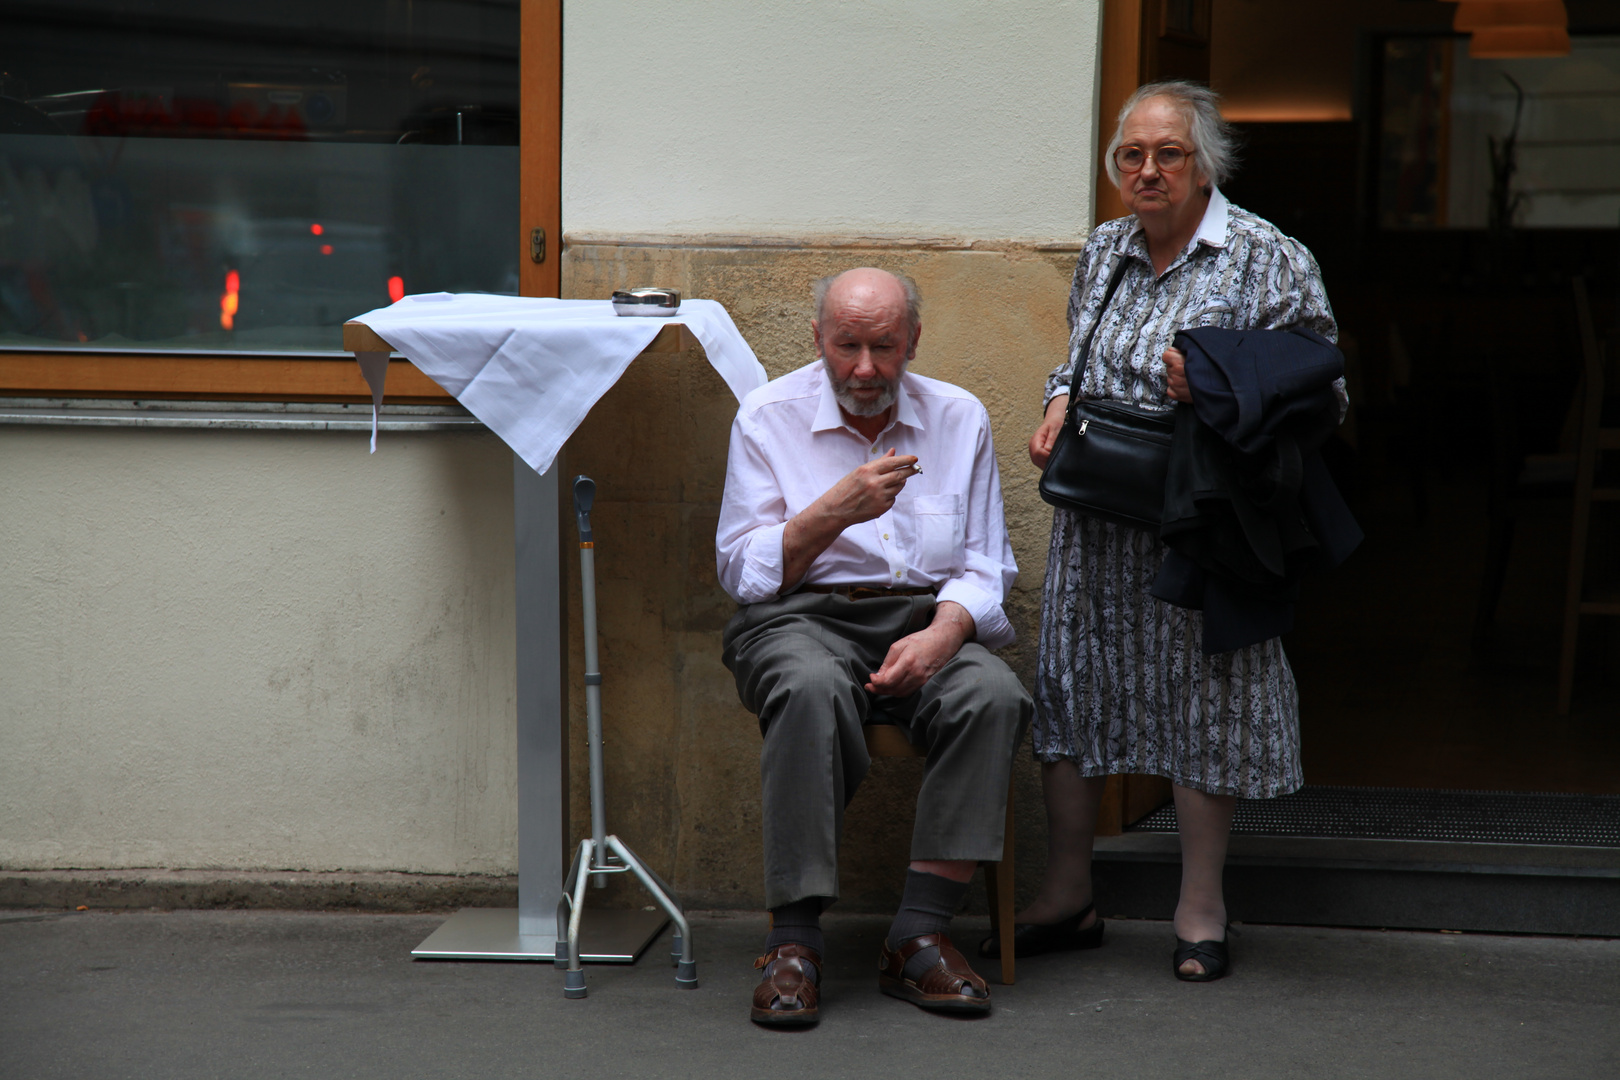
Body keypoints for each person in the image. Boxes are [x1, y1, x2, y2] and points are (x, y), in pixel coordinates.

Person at [1005, 80, 1344, 981]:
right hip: (1098, 515)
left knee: (1205, 698)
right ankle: (1069, 894)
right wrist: (1057, 400)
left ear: (1205, 167)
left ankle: (1201, 907)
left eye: (1169, 155)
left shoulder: (1265, 256)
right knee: (1077, 685)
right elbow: (1075, 352)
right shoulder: (1108, 249)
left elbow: (1324, 390)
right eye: (1132, 155)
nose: (1147, 171)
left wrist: (1219, 391)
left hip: (1199, 521)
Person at [716, 267, 1031, 1026]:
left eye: (884, 346)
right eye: (846, 345)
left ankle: (917, 936)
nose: (864, 368)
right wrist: (828, 514)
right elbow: (740, 572)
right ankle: (792, 943)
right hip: (798, 619)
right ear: (817, 338)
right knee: (809, 686)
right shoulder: (768, 415)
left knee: (993, 696)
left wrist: (944, 633)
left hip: (925, 618)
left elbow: (986, 566)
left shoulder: (958, 417)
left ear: (913, 340)